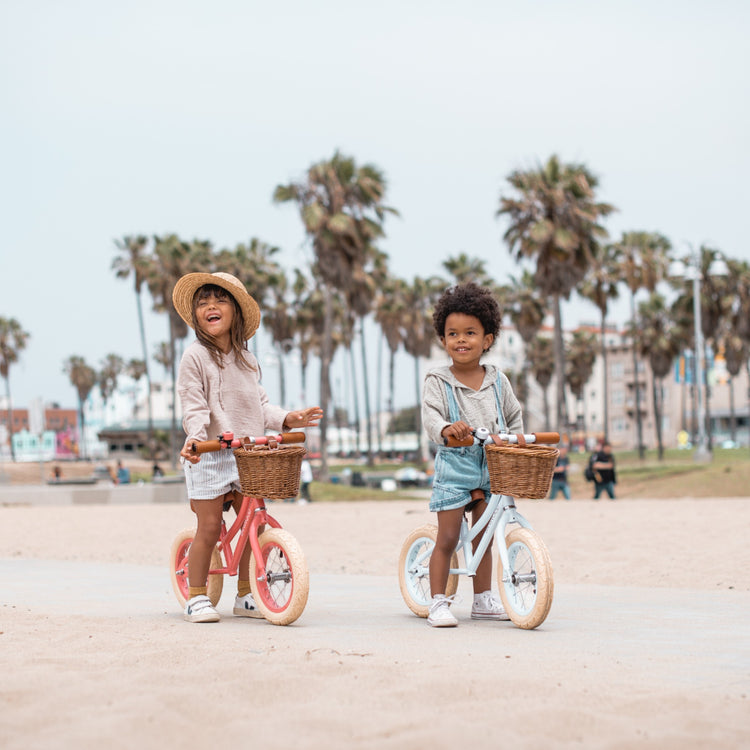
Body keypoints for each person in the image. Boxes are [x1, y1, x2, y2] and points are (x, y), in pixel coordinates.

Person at [173, 271, 323, 624]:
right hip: (209, 452)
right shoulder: (194, 357)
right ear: (196, 314)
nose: (210, 306)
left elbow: (260, 407)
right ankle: (196, 596)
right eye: (203, 302)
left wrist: (290, 418)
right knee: (209, 528)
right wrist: (196, 437)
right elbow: (193, 403)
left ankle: (245, 594)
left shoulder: (247, 360)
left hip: (247, 454)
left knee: (253, 524)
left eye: (220, 299)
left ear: (237, 311)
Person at [421, 282, 523, 627]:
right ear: (443, 340)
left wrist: (516, 441)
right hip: (455, 471)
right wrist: (446, 430)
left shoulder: (498, 380)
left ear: (488, 339)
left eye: (470, 333)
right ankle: (438, 602)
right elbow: (431, 416)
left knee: (483, 537)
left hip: (491, 469)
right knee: (448, 537)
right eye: (452, 333)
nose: (461, 340)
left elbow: (514, 417)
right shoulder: (438, 380)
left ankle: (483, 599)